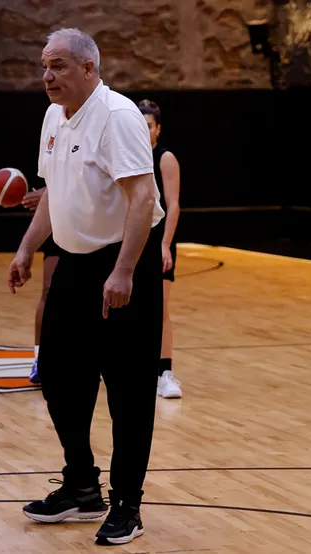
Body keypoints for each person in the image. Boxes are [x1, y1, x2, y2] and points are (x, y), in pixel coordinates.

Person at [7, 28, 165, 546]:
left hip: (122, 265)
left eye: (57, 65)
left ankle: (127, 505)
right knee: (57, 375)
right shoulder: (54, 116)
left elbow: (143, 199)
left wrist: (123, 271)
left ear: (89, 68)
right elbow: (54, 192)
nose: (47, 75)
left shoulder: (117, 116)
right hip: (74, 266)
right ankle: (80, 485)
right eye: (44, 66)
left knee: (127, 390)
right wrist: (27, 248)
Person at [138, 100, 183, 399]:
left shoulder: (165, 158)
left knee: (160, 308)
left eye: (150, 126)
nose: (145, 130)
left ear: (158, 129)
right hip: (131, 239)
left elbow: (173, 205)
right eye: (140, 125)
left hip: (158, 239)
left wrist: (165, 245)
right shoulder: (127, 156)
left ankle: (164, 372)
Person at [21, 184, 62, 384]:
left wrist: (48, 191)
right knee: (48, 291)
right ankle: (40, 358)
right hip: (59, 221)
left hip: (93, 223)